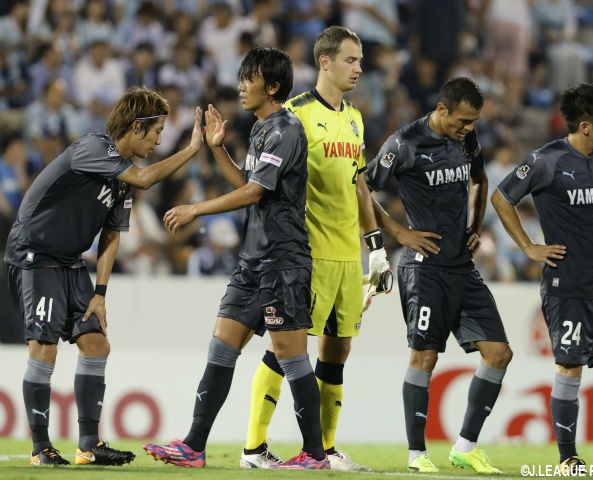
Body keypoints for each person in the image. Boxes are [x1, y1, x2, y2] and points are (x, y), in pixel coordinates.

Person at [142, 47, 329, 470]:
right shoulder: (263, 130)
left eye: (250, 77)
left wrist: (195, 208)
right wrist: (217, 149)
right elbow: (250, 182)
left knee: (291, 356)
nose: (241, 84)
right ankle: (193, 446)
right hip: (253, 262)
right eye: (242, 76)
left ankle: (315, 455)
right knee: (222, 345)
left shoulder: (286, 129)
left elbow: (254, 193)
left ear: (273, 86)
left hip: (283, 261)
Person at [4, 86, 204, 466]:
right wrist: (192, 149)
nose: (160, 139)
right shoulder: (94, 147)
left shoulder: (123, 180)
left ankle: (89, 445)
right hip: (35, 256)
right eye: (157, 131)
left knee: (96, 344)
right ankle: (40, 448)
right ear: (137, 125)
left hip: (69, 262)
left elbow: (111, 236)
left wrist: (100, 293)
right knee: (43, 346)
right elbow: (146, 179)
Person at [239, 26, 389, 472]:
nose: (359, 68)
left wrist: (376, 248)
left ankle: (322, 449)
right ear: (324, 62)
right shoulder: (294, 114)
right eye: (350, 59)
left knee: (337, 352)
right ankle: (254, 447)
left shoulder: (355, 118)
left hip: (349, 256)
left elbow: (359, 184)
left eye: (360, 60)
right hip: (307, 252)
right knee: (287, 348)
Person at [365, 77, 512, 474]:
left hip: (460, 266)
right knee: (424, 356)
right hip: (423, 267)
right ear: (442, 109)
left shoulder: (466, 139)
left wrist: (475, 225)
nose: (468, 128)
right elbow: (362, 188)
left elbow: (480, 179)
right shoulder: (404, 142)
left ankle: (465, 446)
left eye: (474, 121)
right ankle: (417, 455)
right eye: (463, 120)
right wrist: (399, 233)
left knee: (499, 354)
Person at [491, 82, 593, 472]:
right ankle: (567, 458)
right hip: (567, 286)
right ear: (586, 126)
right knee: (569, 368)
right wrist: (528, 247)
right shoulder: (547, 160)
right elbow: (501, 197)